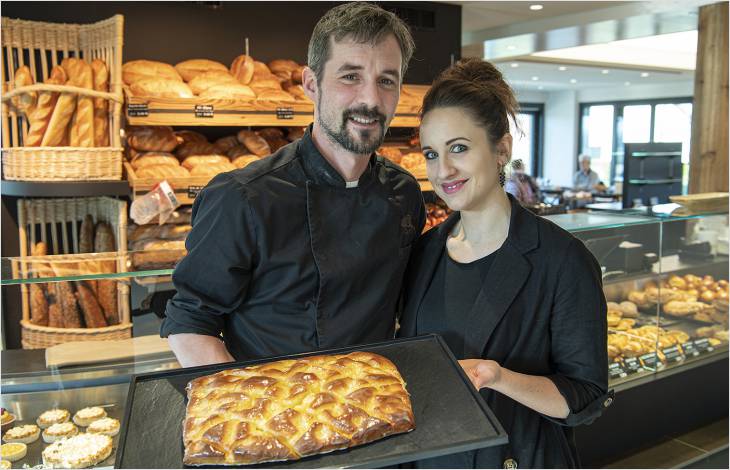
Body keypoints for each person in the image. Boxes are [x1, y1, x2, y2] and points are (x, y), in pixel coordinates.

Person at [161, 2, 425, 367]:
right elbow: (190, 322)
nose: (371, 99)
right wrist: (244, 407)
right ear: (311, 84)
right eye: (350, 76)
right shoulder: (243, 197)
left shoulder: (404, 193)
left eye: (386, 81)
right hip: (274, 408)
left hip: (373, 401)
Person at [398, 58, 610, 468]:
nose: (443, 171)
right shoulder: (423, 254)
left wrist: (499, 377)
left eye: (459, 148)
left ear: (501, 150)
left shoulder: (562, 260)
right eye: (430, 153)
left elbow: (585, 397)